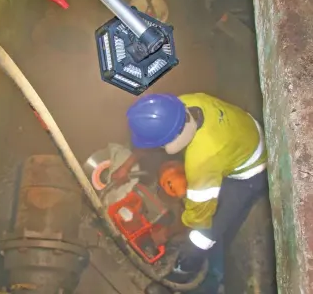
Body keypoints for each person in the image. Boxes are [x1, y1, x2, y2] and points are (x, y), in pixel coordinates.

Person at [112, 93, 269, 290]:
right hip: (243, 133)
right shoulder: (184, 104)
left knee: (202, 236)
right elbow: (154, 138)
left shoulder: (201, 163)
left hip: (250, 171)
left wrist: (166, 233)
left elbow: (197, 219)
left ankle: (186, 274)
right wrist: (127, 166)